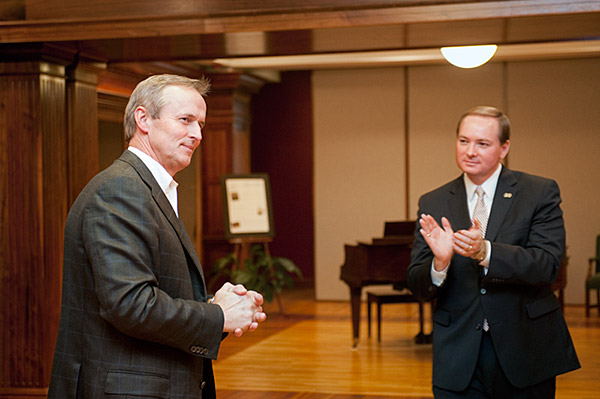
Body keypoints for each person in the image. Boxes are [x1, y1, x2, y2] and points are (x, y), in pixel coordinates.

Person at [48, 74, 267, 399]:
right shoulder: (120, 190)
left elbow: (153, 293)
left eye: (201, 124)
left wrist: (217, 307)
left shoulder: (144, 189)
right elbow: (130, 305)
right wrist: (217, 315)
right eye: (185, 120)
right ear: (143, 119)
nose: (197, 134)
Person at [407, 105, 580, 398]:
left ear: (504, 148)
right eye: (463, 141)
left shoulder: (538, 192)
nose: (470, 151)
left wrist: (484, 251)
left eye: (482, 143)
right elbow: (417, 285)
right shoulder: (433, 201)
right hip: (458, 354)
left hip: (524, 348)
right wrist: (439, 263)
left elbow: (547, 265)